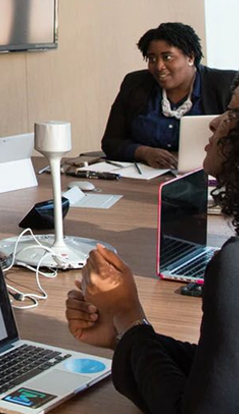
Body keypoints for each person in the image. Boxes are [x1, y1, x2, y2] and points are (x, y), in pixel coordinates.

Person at [66, 107, 239, 412]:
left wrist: (127, 314)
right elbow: (217, 373)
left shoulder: (233, 267)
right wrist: (125, 336)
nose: (215, 122)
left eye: (234, 113)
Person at [101, 22, 235, 168]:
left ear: (190, 57)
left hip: (209, 174)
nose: (159, 66)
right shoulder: (134, 84)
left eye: (167, 57)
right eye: (152, 59)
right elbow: (111, 142)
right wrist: (144, 152)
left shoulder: (226, 85)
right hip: (146, 175)